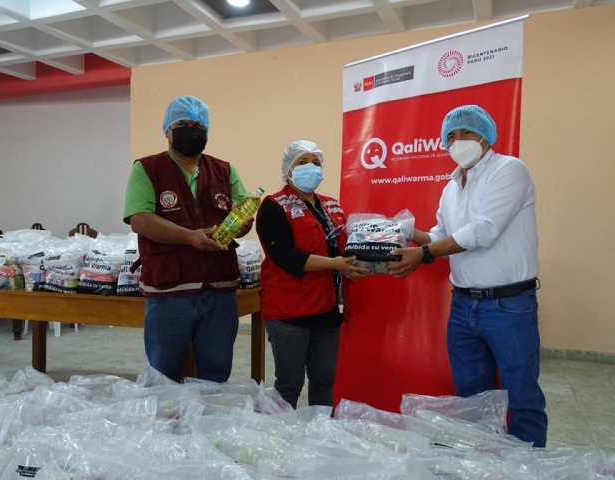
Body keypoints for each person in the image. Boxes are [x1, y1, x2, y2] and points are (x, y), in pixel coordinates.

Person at [388, 105, 547, 447]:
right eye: (451, 136)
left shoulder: (509, 170)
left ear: (486, 136)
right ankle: (482, 463)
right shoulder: (451, 187)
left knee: (522, 397)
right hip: (463, 306)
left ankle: (527, 467)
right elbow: (441, 236)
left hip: (509, 305)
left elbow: (483, 232)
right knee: (473, 398)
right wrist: (405, 233)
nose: (458, 141)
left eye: (467, 133)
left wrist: (424, 254)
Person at [123, 95, 253, 383]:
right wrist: (189, 237)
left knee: (216, 374)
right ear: (167, 130)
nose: (190, 131)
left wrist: (242, 224)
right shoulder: (147, 168)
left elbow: (241, 214)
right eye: (182, 124)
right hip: (169, 292)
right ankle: (166, 414)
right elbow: (139, 219)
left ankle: (208, 413)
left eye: (197, 126)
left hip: (219, 290)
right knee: (164, 376)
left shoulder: (224, 170)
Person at [256, 140, 369, 409]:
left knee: (324, 380)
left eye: (316, 162)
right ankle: (284, 433)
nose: (311, 167)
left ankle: (321, 429)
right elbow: (284, 255)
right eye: (302, 162)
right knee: (289, 384)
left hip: (328, 308)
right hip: (290, 310)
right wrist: (335, 264)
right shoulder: (274, 206)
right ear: (288, 169)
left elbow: (346, 245)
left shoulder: (332, 206)